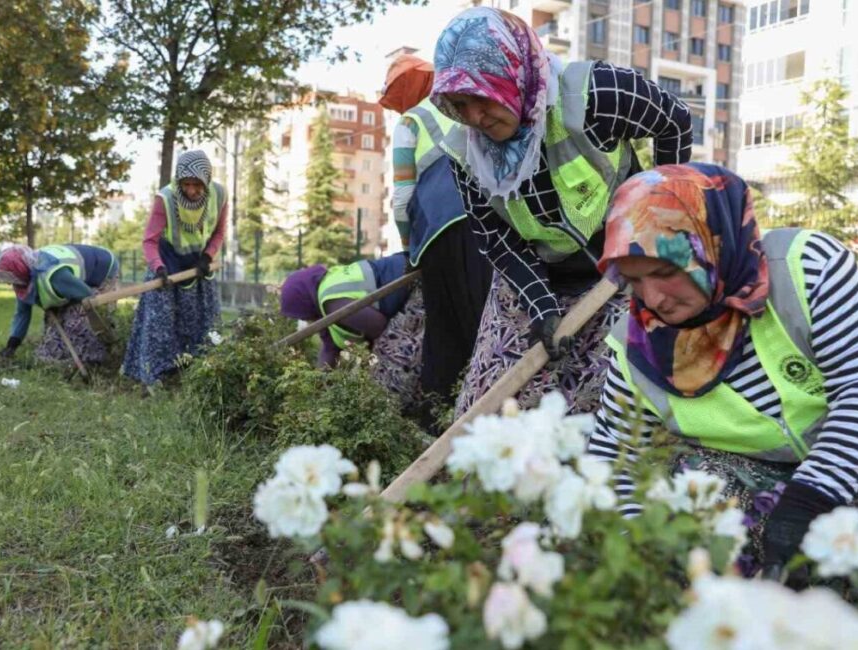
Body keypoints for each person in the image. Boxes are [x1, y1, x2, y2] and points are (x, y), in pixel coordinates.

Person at [588, 163, 858, 593]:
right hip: (762, 494)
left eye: (666, 271)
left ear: (712, 244)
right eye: (634, 281)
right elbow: (615, 463)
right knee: (683, 481)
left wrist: (806, 505)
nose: (652, 299)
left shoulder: (806, 268)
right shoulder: (635, 346)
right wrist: (637, 559)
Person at [429, 7, 692, 416]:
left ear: (510, 73)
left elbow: (673, 121)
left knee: (611, 398)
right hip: (539, 272)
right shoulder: (466, 154)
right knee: (490, 405)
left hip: (624, 266)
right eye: (459, 106)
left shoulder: (593, 94)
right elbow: (496, 238)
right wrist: (541, 305)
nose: (474, 118)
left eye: (481, 98)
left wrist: (658, 224)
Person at [379, 53, 493, 429]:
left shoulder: (410, 122)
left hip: (437, 233)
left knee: (445, 335)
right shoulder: (470, 106)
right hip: (491, 221)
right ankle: (494, 415)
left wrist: (410, 249)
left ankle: (435, 425)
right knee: (486, 324)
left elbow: (401, 198)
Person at [122, 150, 226, 385]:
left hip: (197, 267)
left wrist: (207, 257)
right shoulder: (166, 199)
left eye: (197, 185)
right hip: (166, 265)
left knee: (203, 324)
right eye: (186, 184)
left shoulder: (219, 195)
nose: (191, 190)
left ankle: (199, 375)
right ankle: (155, 377)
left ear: (206, 180)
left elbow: (219, 232)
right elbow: (149, 240)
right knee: (160, 325)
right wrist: (159, 268)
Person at [280, 252, 423, 408]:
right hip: (409, 283)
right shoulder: (325, 301)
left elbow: (378, 327)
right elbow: (329, 350)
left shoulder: (331, 302)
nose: (304, 319)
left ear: (304, 303)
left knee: (392, 380)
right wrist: (316, 392)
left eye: (301, 315)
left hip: (415, 284)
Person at [0, 243, 119, 364]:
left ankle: (100, 356)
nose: (10, 284)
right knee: (56, 325)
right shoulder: (23, 280)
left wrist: (97, 324)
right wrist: (12, 345)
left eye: (11, 279)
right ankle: (66, 354)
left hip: (102, 268)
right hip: (73, 283)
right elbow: (22, 312)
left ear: (20, 271)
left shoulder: (54, 275)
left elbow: (88, 297)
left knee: (77, 321)